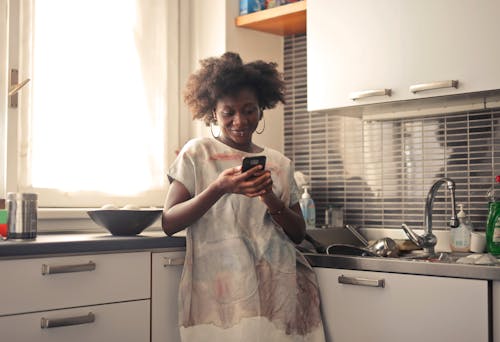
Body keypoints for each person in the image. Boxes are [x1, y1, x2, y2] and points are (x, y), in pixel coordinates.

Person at [162, 52, 325, 342]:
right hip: (218, 294)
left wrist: (271, 200)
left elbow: (298, 233)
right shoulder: (197, 154)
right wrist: (219, 188)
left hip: (278, 288)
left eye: (249, 110)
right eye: (229, 112)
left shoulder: (279, 163)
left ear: (262, 109)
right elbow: (169, 222)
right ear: (213, 112)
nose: (240, 120)